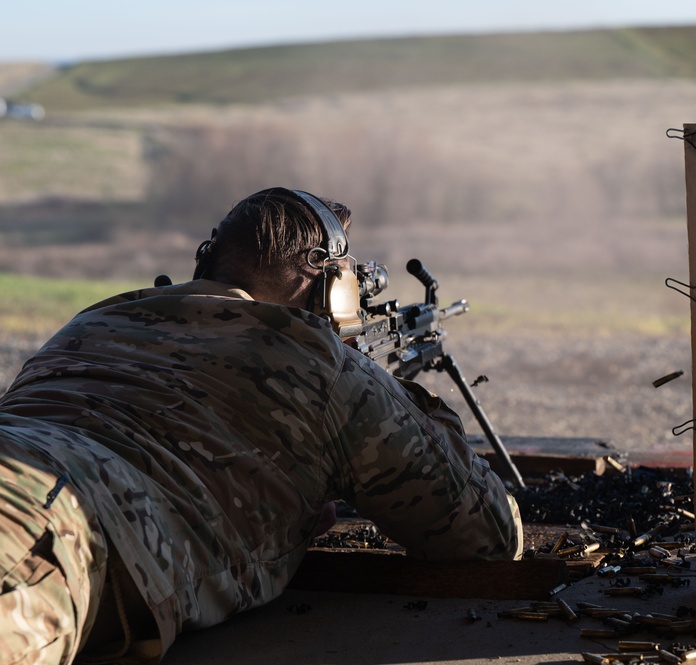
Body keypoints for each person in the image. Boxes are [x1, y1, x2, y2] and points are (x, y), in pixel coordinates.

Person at [0, 187, 522, 665]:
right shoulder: (319, 363)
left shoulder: (93, 320)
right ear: (331, 286)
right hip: (60, 517)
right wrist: (389, 396)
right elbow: (485, 538)